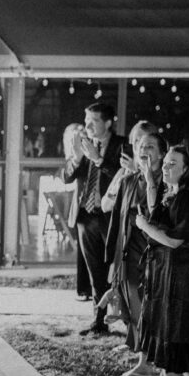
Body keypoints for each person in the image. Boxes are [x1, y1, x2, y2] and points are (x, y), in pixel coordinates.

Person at [132, 145, 189, 376]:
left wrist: (144, 227)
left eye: (172, 164)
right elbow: (160, 217)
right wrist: (152, 183)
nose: (165, 168)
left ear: (188, 168)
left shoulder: (187, 198)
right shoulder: (177, 194)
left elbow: (175, 240)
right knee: (180, 331)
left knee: (174, 331)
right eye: (164, 163)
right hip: (174, 273)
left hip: (181, 276)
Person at [106, 132, 166, 376]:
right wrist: (112, 261)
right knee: (135, 309)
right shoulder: (129, 181)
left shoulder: (168, 183)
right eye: (141, 146)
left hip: (156, 257)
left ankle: (160, 364)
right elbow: (116, 221)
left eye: (150, 146)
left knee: (155, 311)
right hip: (129, 255)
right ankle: (143, 361)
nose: (144, 150)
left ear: (162, 154)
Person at [64, 103, 124, 336]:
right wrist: (78, 158)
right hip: (85, 216)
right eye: (86, 120)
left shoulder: (121, 145)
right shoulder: (82, 144)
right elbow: (67, 177)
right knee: (94, 271)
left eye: (93, 121)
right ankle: (98, 320)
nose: (87, 125)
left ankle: (126, 318)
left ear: (108, 123)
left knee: (115, 268)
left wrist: (98, 159)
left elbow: (123, 177)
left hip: (110, 217)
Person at [61, 123, 92, 301]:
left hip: (99, 208)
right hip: (81, 207)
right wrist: (76, 158)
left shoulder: (94, 153)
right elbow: (67, 177)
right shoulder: (76, 157)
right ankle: (83, 289)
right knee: (82, 253)